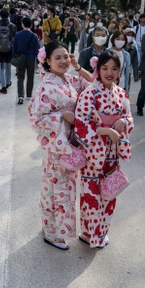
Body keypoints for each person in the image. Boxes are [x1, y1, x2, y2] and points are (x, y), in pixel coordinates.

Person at [28, 41, 93, 250]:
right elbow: (36, 119)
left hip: (68, 145)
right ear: (47, 61)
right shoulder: (47, 86)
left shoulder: (67, 80)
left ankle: (56, 228)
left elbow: (91, 85)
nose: (64, 61)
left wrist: (78, 67)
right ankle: (51, 232)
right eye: (58, 58)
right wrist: (62, 115)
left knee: (65, 189)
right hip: (56, 147)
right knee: (53, 190)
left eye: (66, 56)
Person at [74, 50, 134, 248]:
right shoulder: (90, 92)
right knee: (91, 193)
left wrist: (123, 121)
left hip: (112, 152)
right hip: (94, 153)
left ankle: (101, 231)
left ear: (119, 71)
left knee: (108, 193)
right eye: (105, 68)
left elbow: (128, 116)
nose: (109, 72)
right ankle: (90, 233)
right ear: (98, 69)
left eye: (114, 69)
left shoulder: (121, 93)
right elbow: (81, 123)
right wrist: (107, 130)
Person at [12, 17, 40, 104]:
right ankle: (29, 95)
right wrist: (38, 62)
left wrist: (14, 57)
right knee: (30, 77)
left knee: (20, 77)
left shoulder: (18, 34)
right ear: (31, 25)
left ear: (22, 24)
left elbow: (14, 47)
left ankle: (20, 95)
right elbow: (37, 50)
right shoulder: (34, 36)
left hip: (21, 58)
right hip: (31, 58)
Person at [0, 9, 17, 94]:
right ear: (8, 16)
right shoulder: (12, 26)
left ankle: (3, 86)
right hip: (9, 49)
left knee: (1, 68)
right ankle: (8, 82)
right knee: (8, 66)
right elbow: (15, 38)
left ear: (0, 16)